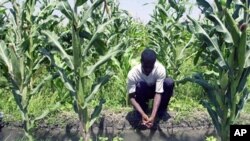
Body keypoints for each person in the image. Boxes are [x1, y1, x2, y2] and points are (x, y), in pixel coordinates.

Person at [127, 48, 174, 128]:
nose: (148, 70)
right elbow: (131, 97)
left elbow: (158, 93)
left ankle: (161, 111)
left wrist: (153, 116)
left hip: (156, 90)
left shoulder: (160, 69)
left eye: (150, 67)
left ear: (154, 63)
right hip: (142, 91)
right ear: (141, 62)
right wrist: (142, 113)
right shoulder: (133, 74)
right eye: (145, 67)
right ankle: (142, 111)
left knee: (169, 82)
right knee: (140, 85)